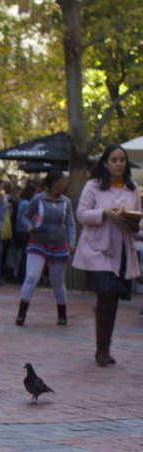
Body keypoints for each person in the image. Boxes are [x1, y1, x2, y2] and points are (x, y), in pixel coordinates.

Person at [73, 144, 142, 366]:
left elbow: (139, 221)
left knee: (112, 298)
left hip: (122, 250)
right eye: (114, 160)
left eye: (122, 159)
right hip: (97, 250)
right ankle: (101, 349)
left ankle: (105, 346)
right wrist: (104, 213)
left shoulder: (132, 188)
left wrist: (133, 223)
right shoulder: (93, 186)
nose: (119, 164)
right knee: (107, 294)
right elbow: (82, 214)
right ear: (105, 163)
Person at [15, 169, 76, 327]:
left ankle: (62, 314)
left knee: (57, 282)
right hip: (38, 243)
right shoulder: (38, 199)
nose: (65, 183)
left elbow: (70, 224)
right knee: (31, 277)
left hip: (59, 245)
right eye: (63, 180)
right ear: (55, 183)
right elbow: (24, 216)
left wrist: (71, 242)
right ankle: (21, 314)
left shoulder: (66, 202)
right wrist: (29, 227)